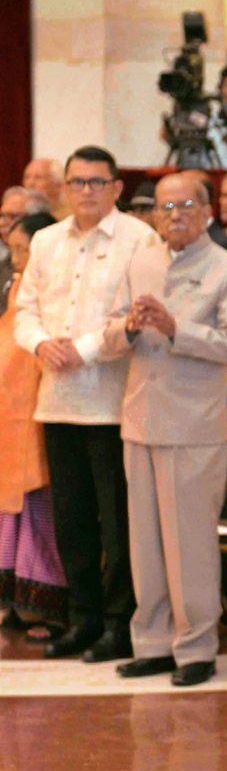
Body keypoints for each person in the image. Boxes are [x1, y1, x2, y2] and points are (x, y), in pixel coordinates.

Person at [102, 172, 227, 687]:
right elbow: (108, 333)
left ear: (207, 211)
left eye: (186, 205)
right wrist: (128, 328)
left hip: (194, 423)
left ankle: (195, 649)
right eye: (165, 208)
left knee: (189, 542)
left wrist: (174, 328)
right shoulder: (140, 261)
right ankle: (153, 643)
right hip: (140, 416)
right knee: (144, 542)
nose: (175, 216)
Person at [14, 146, 159, 661]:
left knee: (116, 521)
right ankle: (83, 618)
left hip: (114, 404)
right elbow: (25, 310)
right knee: (71, 519)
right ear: (65, 188)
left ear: (117, 187)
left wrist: (88, 349)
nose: (86, 192)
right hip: (56, 402)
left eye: (97, 182)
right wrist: (39, 343)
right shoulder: (48, 240)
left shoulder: (140, 238)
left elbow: (139, 318)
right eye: (77, 183)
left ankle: (120, 625)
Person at [0, 212, 67, 641]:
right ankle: (15, 603)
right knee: (10, 514)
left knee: (41, 514)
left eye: (24, 249)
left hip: (41, 412)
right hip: (10, 412)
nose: (18, 256)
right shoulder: (17, 283)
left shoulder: (49, 283)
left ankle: (44, 608)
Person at [0, 188, 51, 315]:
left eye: (12, 216)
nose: (2, 223)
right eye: (1, 216)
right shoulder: (4, 265)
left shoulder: (52, 267)